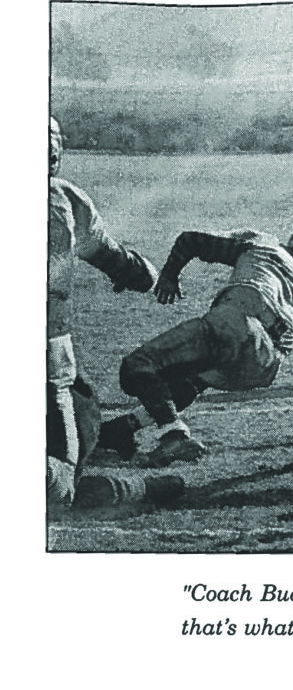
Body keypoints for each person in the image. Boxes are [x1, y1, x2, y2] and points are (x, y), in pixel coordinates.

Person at [96, 226, 293, 468]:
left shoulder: (264, 244)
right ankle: (123, 429)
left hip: (239, 321)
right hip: (264, 366)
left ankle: (175, 436)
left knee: (138, 367)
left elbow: (190, 240)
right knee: (193, 379)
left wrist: (169, 275)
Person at [47, 116, 161, 508]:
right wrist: (141, 273)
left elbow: (118, 262)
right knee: (60, 478)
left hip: (55, 355)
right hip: (49, 353)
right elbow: (118, 261)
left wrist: (137, 272)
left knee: (80, 407)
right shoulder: (63, 199)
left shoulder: (65, 199)